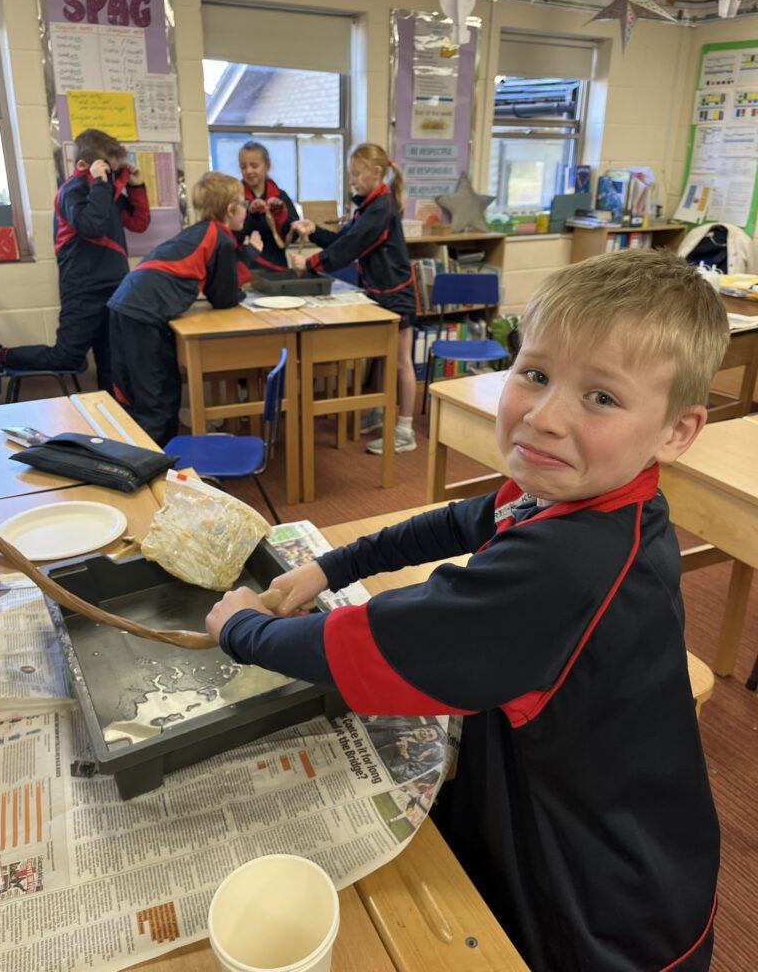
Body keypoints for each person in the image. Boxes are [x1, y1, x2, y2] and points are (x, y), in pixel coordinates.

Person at [204, 249, 728, 972]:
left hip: (599, 904)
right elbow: (458, 521)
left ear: (675, 431)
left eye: (601, 397)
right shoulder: (588, 495)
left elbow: (372, 648)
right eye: (536, 374)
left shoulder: (567, 565)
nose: (544, 417)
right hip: (597, 806)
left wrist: (240, 629)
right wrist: (331, 564)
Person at [0, 128, 150, 392]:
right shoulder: (71, 192)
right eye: (107, 170)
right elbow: (92, 226)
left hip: (114, 288)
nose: (111, 177)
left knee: (110, 362)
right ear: (85, 166)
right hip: (83, 289)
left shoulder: (105, 194)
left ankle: (110, 422)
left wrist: (136, 187)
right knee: (67, 356)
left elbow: (139, 223)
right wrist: (100, 184)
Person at [107, 172, 261, 446]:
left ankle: (146, 464)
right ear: (230, 210)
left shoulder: (199, 231)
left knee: (137, 395)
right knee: (159, 400)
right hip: (144, 313)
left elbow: (214, 288)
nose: (246, 210)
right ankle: (154, 473)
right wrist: (249, 255)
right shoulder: (221, 238)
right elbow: (224, 298)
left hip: (125, 304)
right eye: (244, 204)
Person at [290, 142, 418, 455]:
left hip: (397, 294)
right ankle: (379, 411)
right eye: (351, 174)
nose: (352, 180)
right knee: (380, 359)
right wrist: (315, 231)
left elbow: (349, 249)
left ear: (376, 173)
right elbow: (345, 240)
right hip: (378, 292)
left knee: (401, 362)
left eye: (357, 174)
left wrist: (309, 263)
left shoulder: (380, 208)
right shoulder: (369, 205)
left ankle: (405, 428)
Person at [236, 140, 299, 271]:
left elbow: (294, 235)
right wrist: (250, 214)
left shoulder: (281, 197)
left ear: (267, 166)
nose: (248, 171)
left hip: (276, 269)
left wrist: (279, 214)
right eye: (243, 167)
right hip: (245, 269)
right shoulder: (235, 197)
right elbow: (230, 236)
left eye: (254, 166)